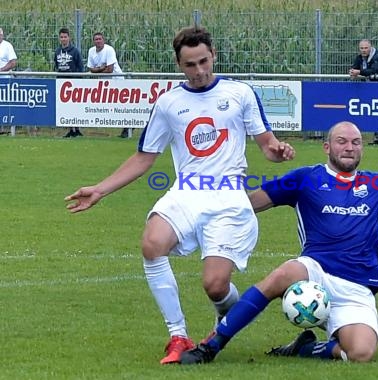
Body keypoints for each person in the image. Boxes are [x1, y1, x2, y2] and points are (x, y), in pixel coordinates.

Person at [178, 121, 378, 365]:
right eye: (342, 141)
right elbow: (250, 203)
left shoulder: (377, 183)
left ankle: (306, 348)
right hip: (315, 271)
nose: (349, 147)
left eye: (356, 142)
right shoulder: (304, 178)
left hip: (358, 286)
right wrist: (205, 205)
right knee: (283, 274)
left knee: (360, 353)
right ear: (327, 147)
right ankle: (212, 346)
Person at [65, 26, 295, 365]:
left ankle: (225, 324)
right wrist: (100, 189)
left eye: (204, 61)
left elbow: (267, 146)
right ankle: (178, 335)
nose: (199, 71)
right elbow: (144, 157)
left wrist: (279, 151)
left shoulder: (240, 94)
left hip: (229, 198)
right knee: (151, 244)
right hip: (186, 193)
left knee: (216, 287)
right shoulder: (169, 103)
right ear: (178, 64)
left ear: (213, 55)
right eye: (190, 65)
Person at [87, 32, 129, 138]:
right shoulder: (91, 51)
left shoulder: (109, 50)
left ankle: (127, 128)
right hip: (103, 83)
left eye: (100, 39)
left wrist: (97, 71)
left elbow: (110, 70)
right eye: (96, 39)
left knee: (120, 106)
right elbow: (91, 69)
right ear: (93, 41)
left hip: (116, 80)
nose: (98, 41)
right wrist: (101, 68)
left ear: (103, 40)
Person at [349, 39, 378, 145]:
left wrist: (359, 72)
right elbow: (355, 67)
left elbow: (375, 70)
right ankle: (374, 138)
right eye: (361, 48)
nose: (363, 50)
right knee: (370, 114)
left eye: (366, 48)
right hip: (367, 89)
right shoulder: (359, 58)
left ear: (370, 48)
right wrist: (352, 71)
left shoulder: (377, 57)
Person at [55, 27, 85, 138]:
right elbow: (57, 65)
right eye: (61, 37)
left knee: (75, 107)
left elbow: (80, 67)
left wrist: (78, 80)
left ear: (69, 37)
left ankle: (77, 129)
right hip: (62, 83)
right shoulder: (58, 51)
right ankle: (70, 129)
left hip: (73, 83)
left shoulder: (75, 51)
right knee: (66, 108)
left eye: (65, 37)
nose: (63, 39)